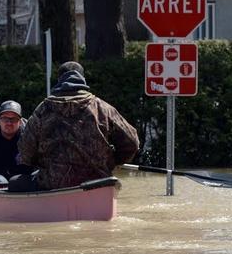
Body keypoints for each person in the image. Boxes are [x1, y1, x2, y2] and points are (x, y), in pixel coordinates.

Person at [11, 61, 140, 191]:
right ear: (83, 79)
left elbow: (26, 153)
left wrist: (42, 164)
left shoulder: (43, 110)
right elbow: (132, 142)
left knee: (14, 182)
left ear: (59, 80)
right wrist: (112, 161)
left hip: (53, 185)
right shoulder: (103, 108)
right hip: (98, 181)